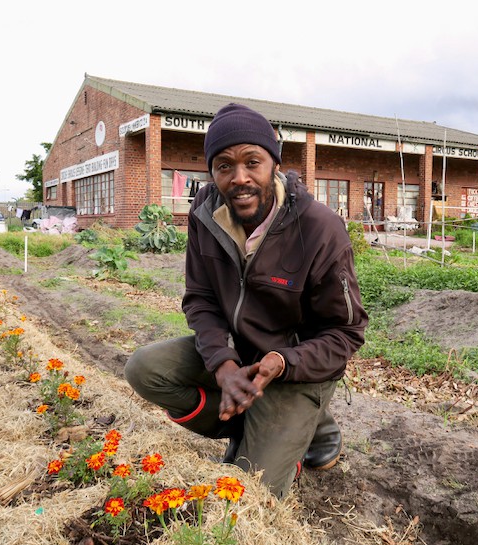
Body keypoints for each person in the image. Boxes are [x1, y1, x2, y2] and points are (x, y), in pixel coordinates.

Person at [125, 103, 368, 498]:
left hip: (297, 367)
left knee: (247, 493)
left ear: (274, 163)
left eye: (252, 162)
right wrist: (222, 364)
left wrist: (283, 362)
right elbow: (200, 298)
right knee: (145, 369)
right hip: (242, 355)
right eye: (224, 166)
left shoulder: (319, 228)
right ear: (212, 172)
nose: (240, 178)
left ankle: (313, 427)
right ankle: (258, 425)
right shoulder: (205, 213)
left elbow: (345, 333)